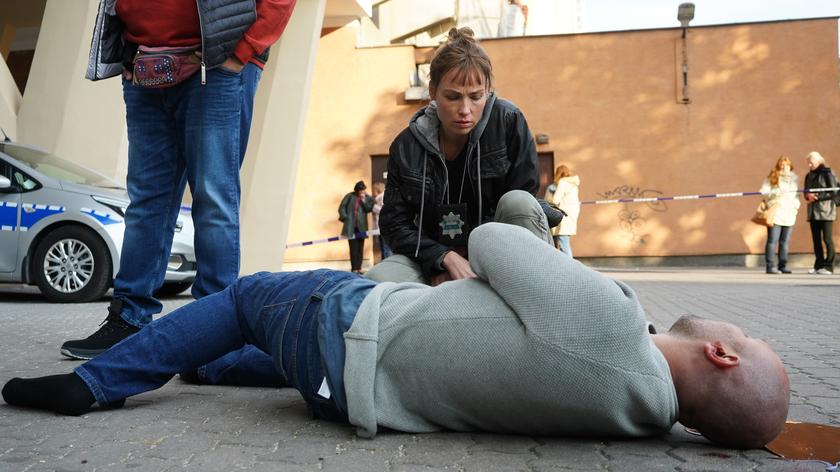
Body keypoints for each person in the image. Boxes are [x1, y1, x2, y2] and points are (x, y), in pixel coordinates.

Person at [2, 221, 789, 450]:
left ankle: (96, 383)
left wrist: (520, 245)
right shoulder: (642, 418)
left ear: (721, 353)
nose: (737, 329)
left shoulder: (615, 325)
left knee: (246, 297)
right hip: (348, 395)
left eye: (747, 337)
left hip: (345, 332)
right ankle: (201, 366)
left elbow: (492, 238)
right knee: (277, 337)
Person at [60, 0, 297, 360]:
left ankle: (216, 331)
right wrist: (126, 55)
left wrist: (243, 52)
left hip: (216, 65)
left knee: (213, 200)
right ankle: (128, 319)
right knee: (146, 203)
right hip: (145, 65)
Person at [370, 27, 561, 286]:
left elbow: (522, 203)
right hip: (430, 257)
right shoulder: (406, 146)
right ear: (432, 91)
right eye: (453, 97)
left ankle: (538, 292)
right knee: (378, 278)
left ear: (488, 90)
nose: (465, 110)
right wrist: (442, 257)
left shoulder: (508, 122)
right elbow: (394, 222)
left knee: (519, 201)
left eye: (476, 97)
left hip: (501, 249)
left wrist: (472, 253)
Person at [759, 156, 800, 274]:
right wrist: (774, 193)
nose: (784, 167)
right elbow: (763, 191)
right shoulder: (773, 176)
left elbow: (797, 195)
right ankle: (770, 266)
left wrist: (796, 206)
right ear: (778, 166)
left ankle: (783, 265)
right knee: (772, 240)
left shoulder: (794, 179)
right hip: (776, 212)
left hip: (789, 213)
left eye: (786, 165)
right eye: (782, 165)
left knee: (785, 241)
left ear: (790, 166)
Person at [803, 151, 838, 275]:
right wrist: (808, 196)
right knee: (816, 240)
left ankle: (829, 267)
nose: (809, 165)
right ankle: (818, 265)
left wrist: (817, 197)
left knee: (827, 239)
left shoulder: (827, 173)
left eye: (811, 163)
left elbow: (834, 192)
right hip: (813, 212)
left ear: (819, 161)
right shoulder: (808, 175)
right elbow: (805, 191)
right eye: (808, 163)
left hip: (826, 211)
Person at [338, 181, 374, 274]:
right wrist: (345, 217)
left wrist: (363, 200)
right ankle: (354, 268)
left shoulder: (368, 197)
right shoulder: (350, 196)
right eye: (360, 190)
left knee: (360, 248)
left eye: (363, 190)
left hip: (361, 226)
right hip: (351, 226)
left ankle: (359, 268)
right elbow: (342, 207)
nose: (362, 192)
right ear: (356, 190)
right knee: (353, 248)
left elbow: (369, 209)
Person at [549, 164, 581, 257]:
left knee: (563, 244)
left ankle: (570, 265)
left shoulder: (562, 183)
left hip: (564, 214)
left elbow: (555, 200)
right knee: (565, 241)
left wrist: (552, 194)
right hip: (572, 214)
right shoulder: (573, 184)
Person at [371, 182, 393, 260]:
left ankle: (388, 264)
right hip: (381, 228)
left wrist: (373, 207)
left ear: (377, 189)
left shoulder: (382, 197)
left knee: (386, 249)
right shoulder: (379, 198)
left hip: (384, 227)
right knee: (384, 249)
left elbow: (384, 211)